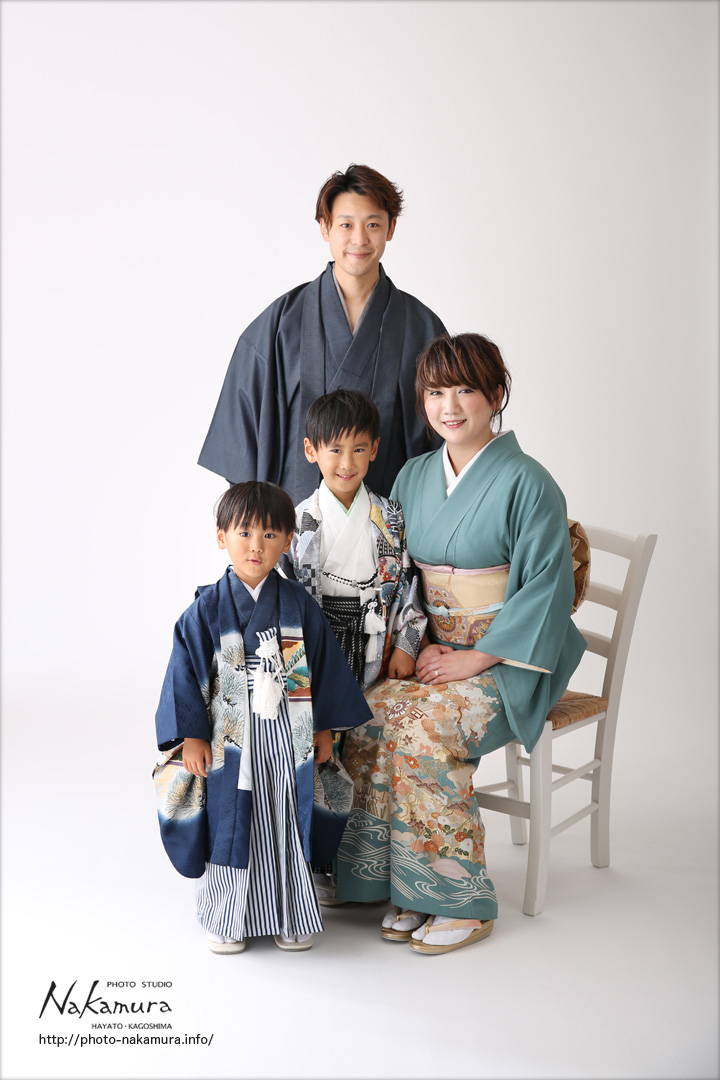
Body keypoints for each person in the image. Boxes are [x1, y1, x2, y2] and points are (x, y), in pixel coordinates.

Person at [335, 333, 587, 954]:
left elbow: (547, 588)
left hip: (509, 661)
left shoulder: (530, 483)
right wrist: (416, 640)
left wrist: (477, 655)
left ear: (496, 395)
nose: (449, 406)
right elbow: (398, 578)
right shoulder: (415, 475)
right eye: (435, 392)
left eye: (466, 390)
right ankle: (392, 882)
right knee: (366, 714)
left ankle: (455, 901)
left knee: (426, 730)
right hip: (434, 655)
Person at [153, 481, 372, 954]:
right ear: (221, 537)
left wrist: (324, 727)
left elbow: (323, 668)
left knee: (286, 816)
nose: (257, 546)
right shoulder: (206, 610)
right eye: (245, 533)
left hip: (287, 735)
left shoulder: (297, 604)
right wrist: (191, 735)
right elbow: (183, 675)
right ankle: (226, 915)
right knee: (230, 819)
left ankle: (290, 913)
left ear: (288, 540)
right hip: (229, 737)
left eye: (270, 534)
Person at [197, 164, 446, 504]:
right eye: (346, 225)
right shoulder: (280, 324)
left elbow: (449, 439)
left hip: (391, 526)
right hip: (294, 523)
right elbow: (242, 439)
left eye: (373, 224)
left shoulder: (423, 328)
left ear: (391, 228)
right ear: (325, 227)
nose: (359, 239)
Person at [282, 388, 427, 903]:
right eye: (335, 450)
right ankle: (315, 860)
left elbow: (408, 586)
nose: (347, 463)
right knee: (319, 748)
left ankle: (369, 862)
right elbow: (286, 598)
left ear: (375, 450)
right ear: (310, 451)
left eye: (359, 449)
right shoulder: (298, 522)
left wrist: (407, 642)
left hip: (373, 646)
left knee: (367, 750)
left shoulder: (389, 516)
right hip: (317, 648)